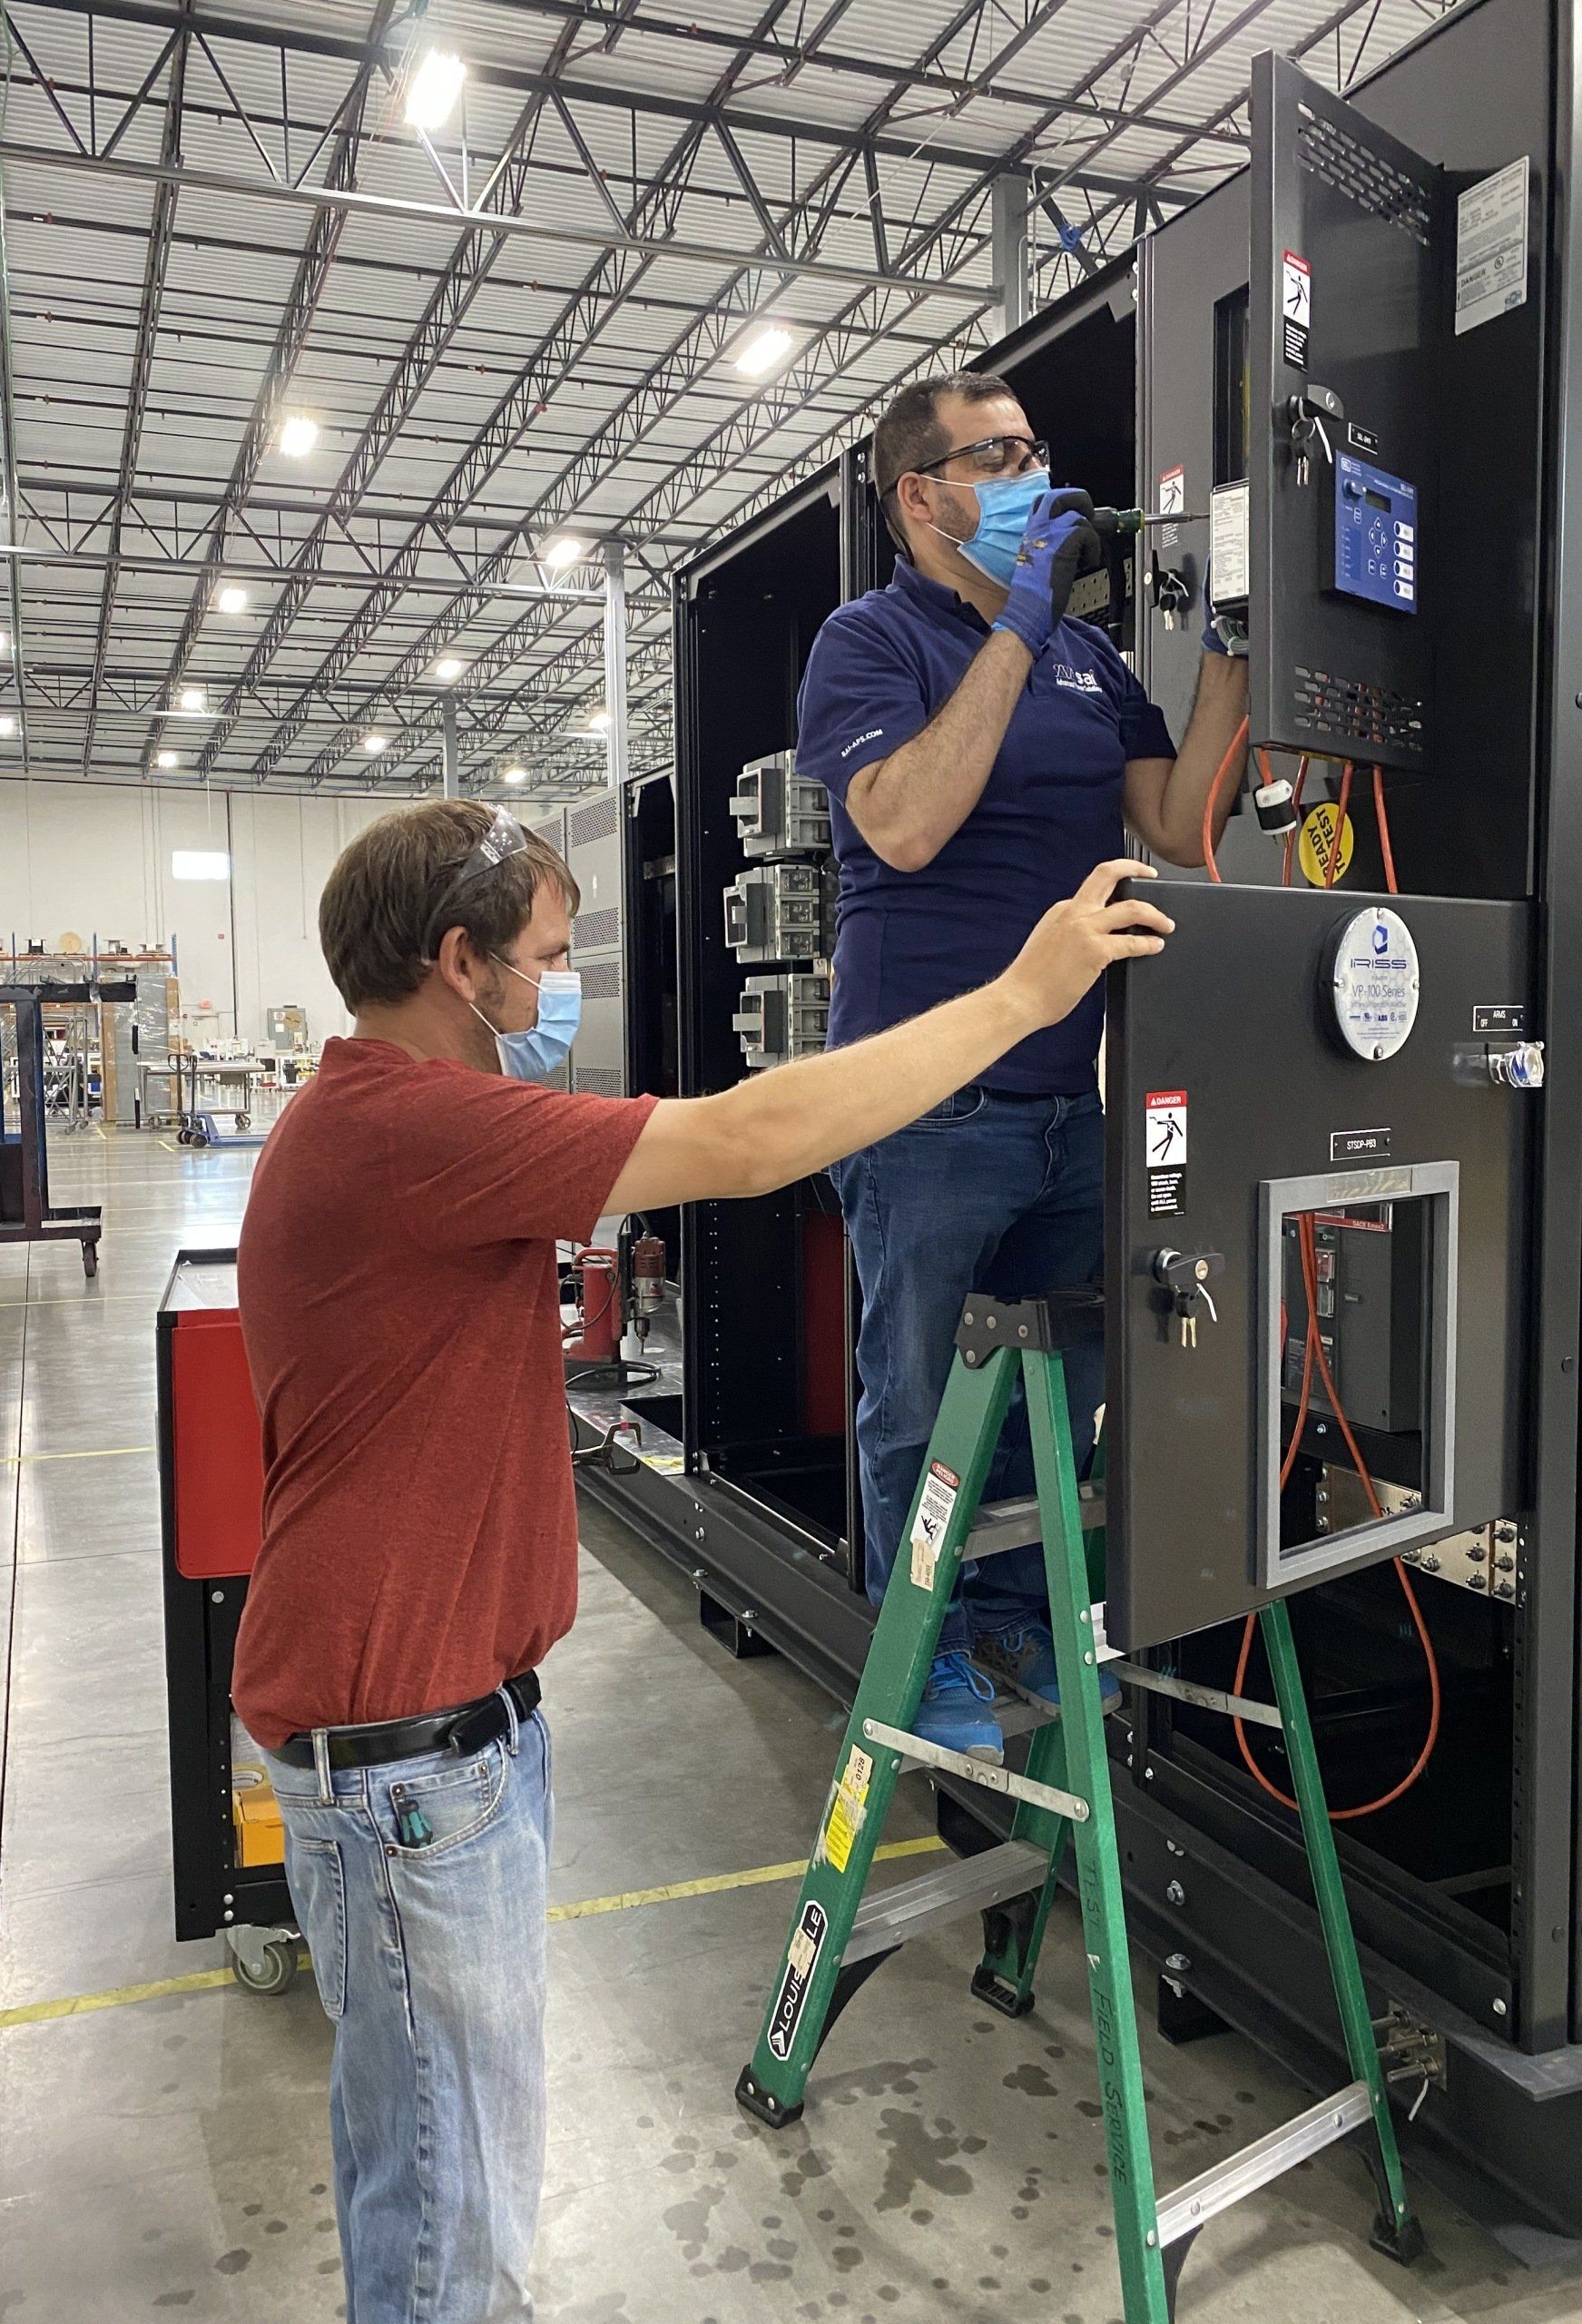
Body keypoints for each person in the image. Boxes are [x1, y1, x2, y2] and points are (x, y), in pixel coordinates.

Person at [230, 797, 1174, 2324]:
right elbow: (741, 1144)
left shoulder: (383, 1120)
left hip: (431, 1747)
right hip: (412, 1768)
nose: (556, 1001)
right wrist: (1025, 994)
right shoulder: (408, 1124)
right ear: (455, 963)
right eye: (542, 965)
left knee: (426, 2173)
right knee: (449, 2228)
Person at [793, 369, 1249, 1759]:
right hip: (924, 1105)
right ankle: (922, 1652)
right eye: (996, 458)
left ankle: (1019, 1623)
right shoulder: (869, 642)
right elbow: (909, 823)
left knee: (1063, 1389)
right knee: (921, 1399)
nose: (1033, 476)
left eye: (1035, 449)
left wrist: (1234, 638)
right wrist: (1024, 623)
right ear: (919, 496)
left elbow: (1176, 820)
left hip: (1070, 1103)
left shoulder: (1091, 665)